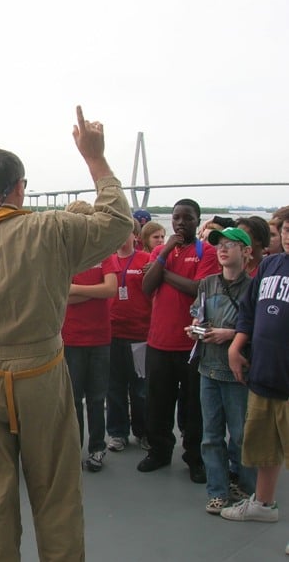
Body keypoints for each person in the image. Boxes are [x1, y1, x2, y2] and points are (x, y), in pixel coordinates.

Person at [0, 106, 132, 561]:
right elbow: (118, 223)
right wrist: (95, 159)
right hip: (42, 373)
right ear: (20, 186)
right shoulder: (51, 229)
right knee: (57, 495)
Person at [220, 215, 289, 557]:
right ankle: (263, 503)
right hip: (263, 374)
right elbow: (248, 311)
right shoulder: (271, 266)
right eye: (288, 230)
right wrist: (236, 345)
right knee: (264, 448)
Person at [138, 199, 221, 483]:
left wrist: (162, 273)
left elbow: (197, 289)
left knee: (193, 407)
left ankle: (194, 458)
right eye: (176, 218)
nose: (180, 223)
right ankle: (159, 451)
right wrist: (166, 253)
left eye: (187, 218)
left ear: (198, 220)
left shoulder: (207, 252)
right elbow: (147, 286)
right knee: (157, 403)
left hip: (191, 345)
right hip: (159, 342)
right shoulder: (162, 250)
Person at [186, 227, 256, 515]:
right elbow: (197, 315)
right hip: (208, 369)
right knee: (211, 434)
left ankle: (245, 485)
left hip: (238, 373)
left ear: (246, 251)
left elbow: (260, 328)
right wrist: (195, 331)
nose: (222, 249)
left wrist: (231, 334)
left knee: (240, 434)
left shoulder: (253, 287)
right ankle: (217, 491)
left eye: (230, 245)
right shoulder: (206, 284)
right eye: (219, 245)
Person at [62, 200, 120, 472]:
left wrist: (76, 290)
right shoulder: (62, 255)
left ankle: (97, 448)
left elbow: (111, 289)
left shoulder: (103, 252)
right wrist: (90, 290)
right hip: (70, 339)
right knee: (72, 399)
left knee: (98, 398)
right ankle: (74, 448)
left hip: (99, 338)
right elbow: (61, 297)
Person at [107, 221, 152, 453]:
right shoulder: (107, 259)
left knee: (140, 389)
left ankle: (143, 432)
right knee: (114, 388)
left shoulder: (146, 261)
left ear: (135, 236)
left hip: (140, 334)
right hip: (112, 334)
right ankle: (117, 433)